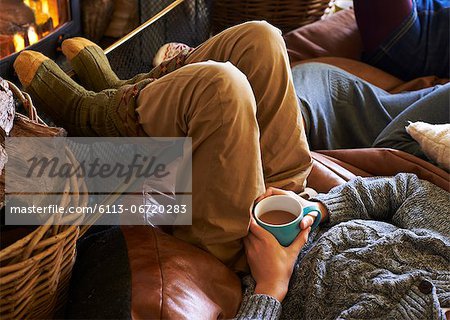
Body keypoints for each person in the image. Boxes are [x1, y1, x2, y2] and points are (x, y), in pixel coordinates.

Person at [238, 174, 450, 319]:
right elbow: (406, 190)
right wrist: (322, 207)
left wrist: (270, 288)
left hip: (241, 262)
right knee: (278, 108)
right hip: (304, 208)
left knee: (230, 108)